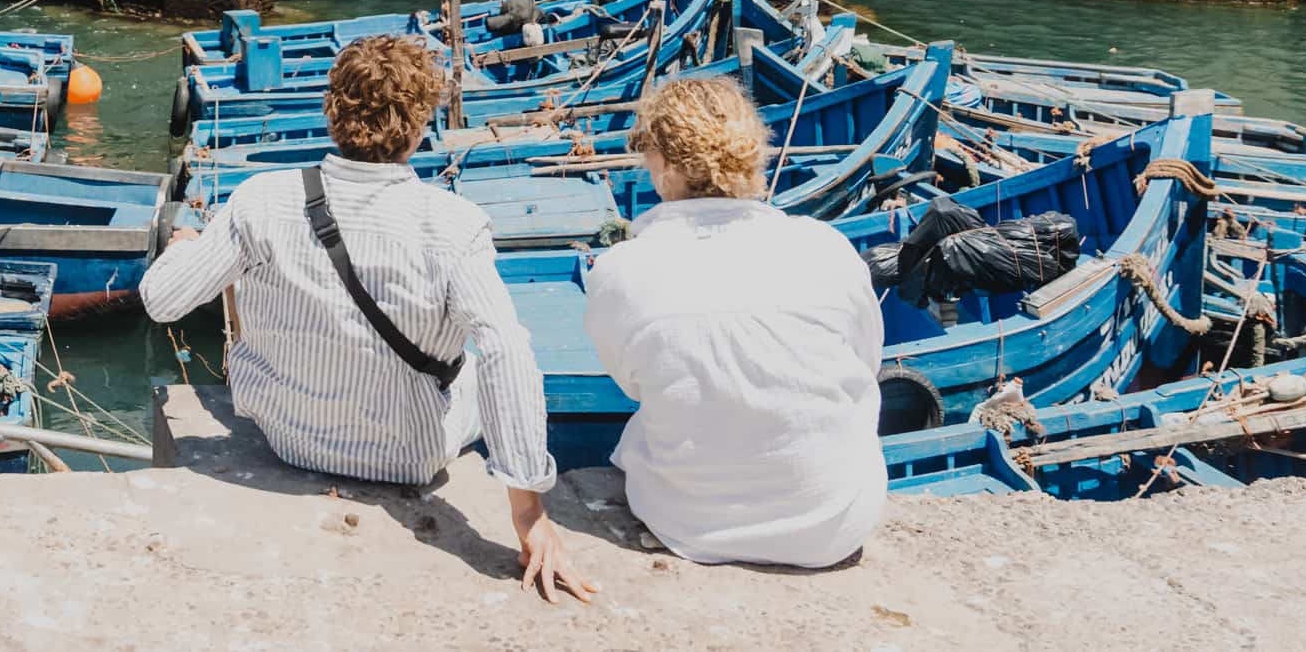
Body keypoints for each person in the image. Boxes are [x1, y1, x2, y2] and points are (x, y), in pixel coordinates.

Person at [142, 35, 595, 604]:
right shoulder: (455, 225)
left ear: (332, 112)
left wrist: (184, 245)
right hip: (412, 456)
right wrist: (528, 511)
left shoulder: (261, 200)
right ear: (420, 124)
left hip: (290, 438)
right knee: (488, 355)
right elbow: (506, 350)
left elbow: (162, 301)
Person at [581, 76, 885, 569]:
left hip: (687, 524)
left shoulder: (620, 271)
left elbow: (630, 383)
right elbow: (865, 361)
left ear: (665, 167)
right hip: (836, 525)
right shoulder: (825, 247)